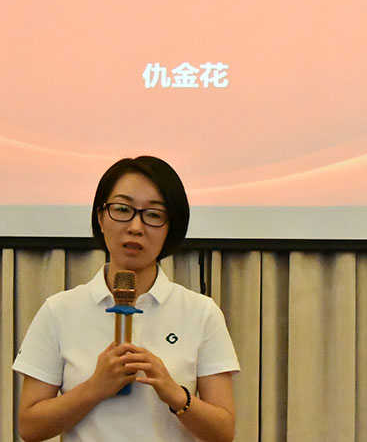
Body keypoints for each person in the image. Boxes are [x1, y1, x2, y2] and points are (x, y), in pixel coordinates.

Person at [13, 156, 240, 441]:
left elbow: (223, 431)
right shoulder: (59, 311)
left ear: (171, 228)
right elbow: (30, 427)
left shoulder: (201, 313)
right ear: (100, 217)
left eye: (154, 215)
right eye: (122, 209)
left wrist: (174, 393)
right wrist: (95, 387)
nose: (135, 227)